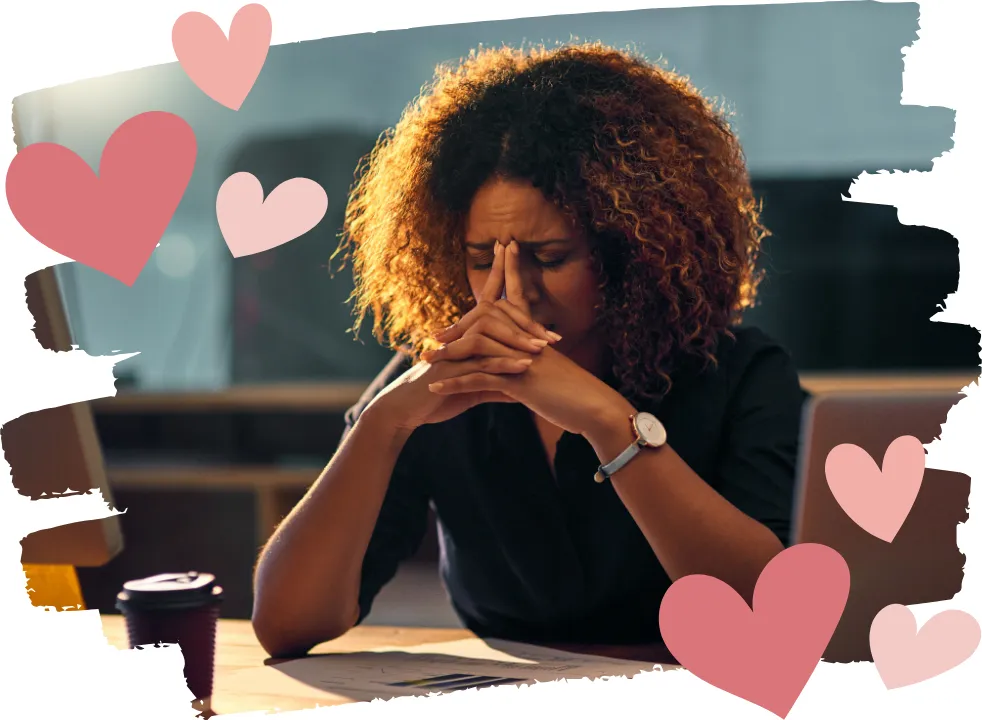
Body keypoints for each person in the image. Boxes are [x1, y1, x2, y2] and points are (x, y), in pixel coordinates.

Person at [252, 42, 806, 658]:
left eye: (549, 258)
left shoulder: (741, 375)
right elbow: (286, 624)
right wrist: (382, 421)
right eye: (480, 258)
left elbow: (771, 614)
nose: (507, 292)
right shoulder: (436, 379)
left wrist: (608, 423)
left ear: (630, 254)